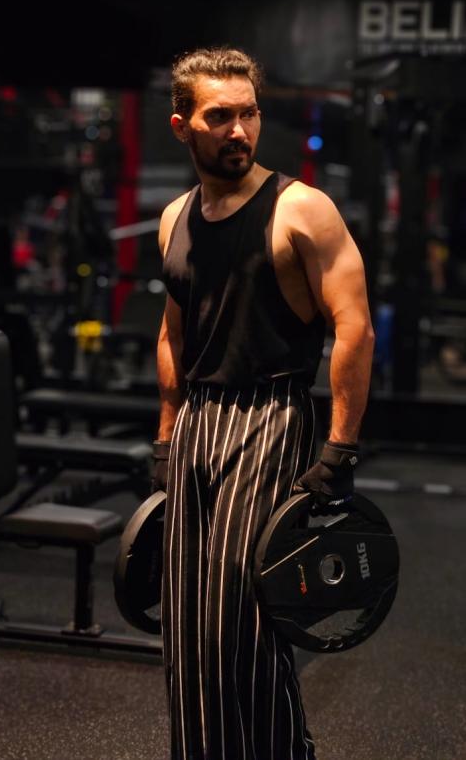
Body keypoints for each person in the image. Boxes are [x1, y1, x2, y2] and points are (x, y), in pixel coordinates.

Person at [153, 46, 375, 760]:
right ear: (182, 125)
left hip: (271, 417)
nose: (239, 130)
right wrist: (166, 435)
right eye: (220, 117)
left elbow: (353, 326)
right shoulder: (175, 219)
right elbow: (173, 332)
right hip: (198, 422)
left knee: (241, 623)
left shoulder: (300, 209)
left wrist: (339, 448)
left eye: (248, 114)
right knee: (184, 623)